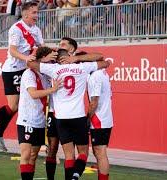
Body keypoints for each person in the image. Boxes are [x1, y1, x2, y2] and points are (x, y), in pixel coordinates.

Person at [27, 49, 110, 180]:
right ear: (69, 56)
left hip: (61, 118)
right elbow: (104, 62)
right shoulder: (82, 67)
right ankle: (75, 176)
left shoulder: (53, 69)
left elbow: (30, 64)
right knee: (83, 153)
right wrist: (76, 60)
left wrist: (45, 58)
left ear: (57, 59)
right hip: (78, 116)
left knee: (69, 155)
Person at [0, 2, 47, 152]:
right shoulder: (16, 29)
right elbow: (13, 51)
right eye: (34, 12)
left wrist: (48, 55)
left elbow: (42, 47)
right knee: (13, 106)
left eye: (37, 12)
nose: (37, 15)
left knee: (17, 107)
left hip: (26, 69)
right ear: (26, 14)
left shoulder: (36, 29)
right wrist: (27, 58)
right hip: (13, 69)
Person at [45, 37, 103, 180]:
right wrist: (46, 57)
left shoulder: (77, 64)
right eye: (59, 44)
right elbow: (33, 62)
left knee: (70, 152)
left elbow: (100, 57)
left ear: (71, 49)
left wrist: (75, 58)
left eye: (63, 44)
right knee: (52, 148)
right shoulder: (53, 59)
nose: (59, 46)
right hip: (54, 112)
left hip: (65, 114)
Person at [17, 46, 61, 180]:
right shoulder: (29, 73)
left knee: (33, 156)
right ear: (42, 59)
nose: (51, 64)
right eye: (49, 60)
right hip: (26, 120)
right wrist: (53, 90)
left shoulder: (45, 76)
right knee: (26, 155)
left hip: (40, 121)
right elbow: (33, 94)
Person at [87, 69, 113, 180]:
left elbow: (94, 101)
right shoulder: (103, 73)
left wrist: (87, 119)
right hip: (105, 118)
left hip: (99, 120)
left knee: (100, 152)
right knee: (98, 152)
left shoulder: (95, 76)